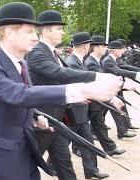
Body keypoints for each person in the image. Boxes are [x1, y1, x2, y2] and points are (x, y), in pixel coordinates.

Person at [0, 3, 122, 180]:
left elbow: (23, 98)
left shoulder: (23, 65)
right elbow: (19, 94)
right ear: (9, 33)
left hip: (25, 151)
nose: (36, 38)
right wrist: (82, 90)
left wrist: (35, 117)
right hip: (2, 158)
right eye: (29, 32)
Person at [26, 10, 119, 180]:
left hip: (56, 120)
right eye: (59, 28)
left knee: (65, 165)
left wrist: (83, 94)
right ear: (46, 30)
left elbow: (65, 78)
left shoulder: (52, 52)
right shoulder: (37, 51)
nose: (63, 32)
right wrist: (97, 76)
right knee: (25, 166)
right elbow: (59, 73)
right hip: (41, 120)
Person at [65, 32, 109, 179]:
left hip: (81, 110)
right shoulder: (72, 62)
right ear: (85, 46)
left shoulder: (79, 61)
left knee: (87, 141)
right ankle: (51, 164)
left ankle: (91, 171)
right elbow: (80, 86)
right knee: (61, 142)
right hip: (73, 110)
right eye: (89, 44)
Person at [84, 35, 126, 156]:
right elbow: (99, 82)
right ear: (96, 48)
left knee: (97, 125)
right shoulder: (91, 63)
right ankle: (109, 148)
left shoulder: (97, 61)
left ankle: (110, 148)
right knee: (81, 127)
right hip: (93, 99)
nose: (105, 49)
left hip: (97, 99)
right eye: (103, 46)